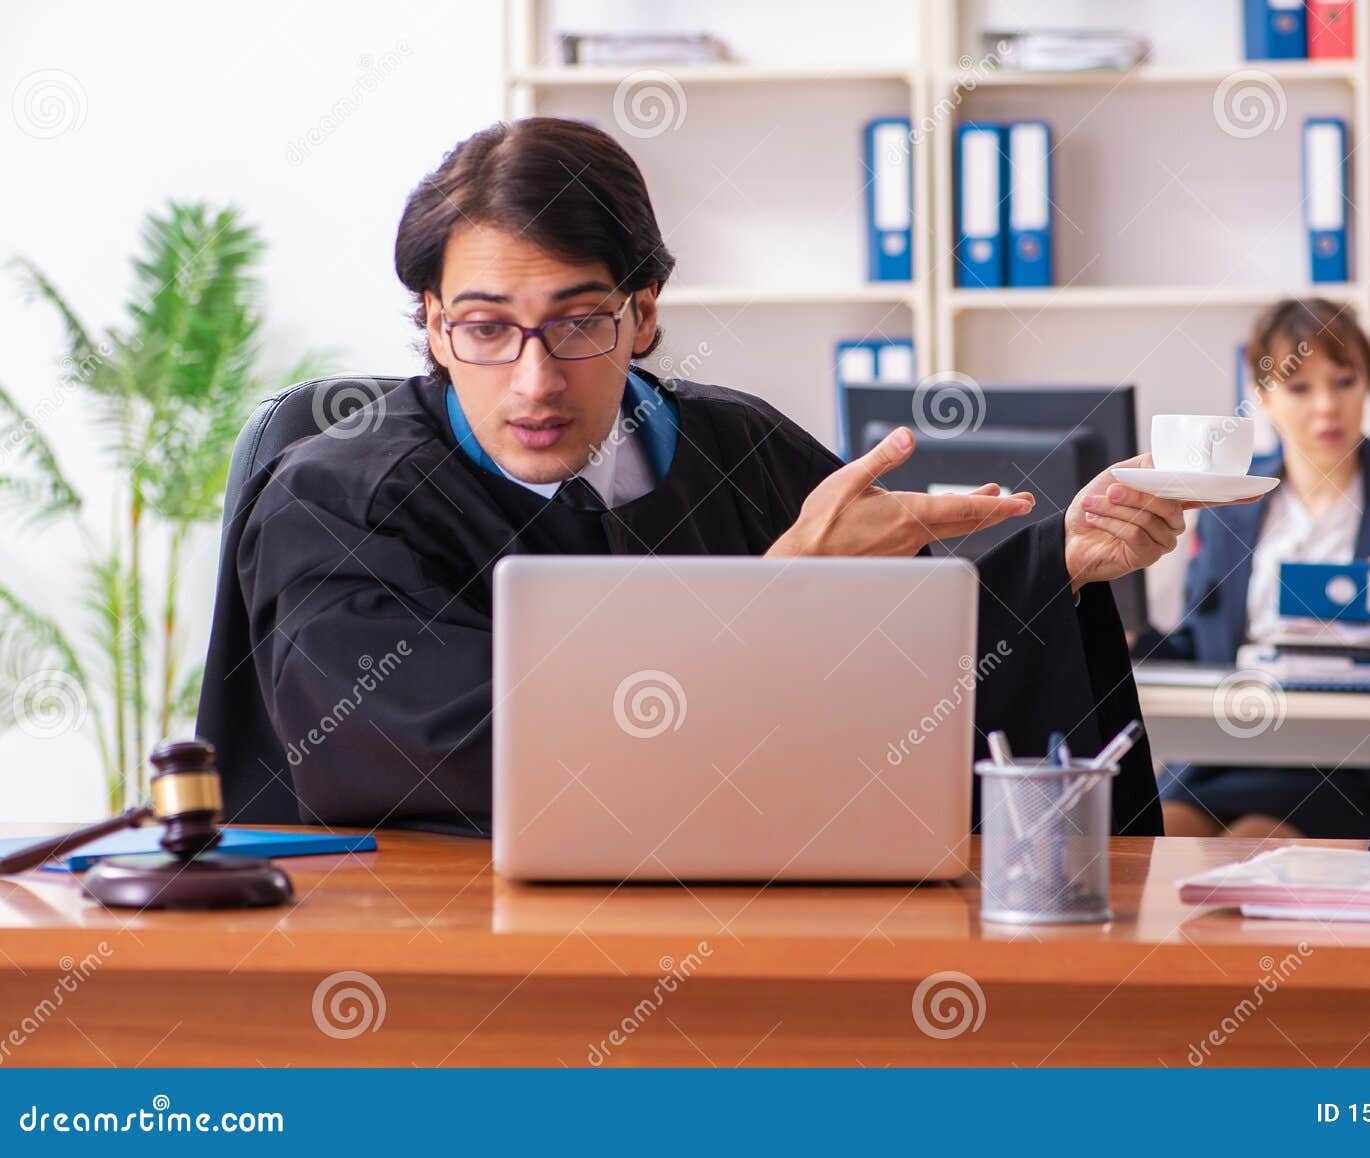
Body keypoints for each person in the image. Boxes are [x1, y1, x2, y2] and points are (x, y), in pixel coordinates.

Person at [198, 117, 1247, 836]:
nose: (534, 379)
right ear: (430, 325)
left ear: (643, 313)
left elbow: (917, 658)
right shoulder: (338, 500)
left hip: (741, 925)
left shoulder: (740, 452)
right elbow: (419, 753)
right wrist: (782, 593)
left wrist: (1053, 562)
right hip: (435, 950)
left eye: (578, 321)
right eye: (482, 328)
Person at [1139, 298, 1370, 840]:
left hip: (1359, 760)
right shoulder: (1229, 507)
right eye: (1300, 389)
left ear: (1367, 384)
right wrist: (1123, 628)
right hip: (1239, 745)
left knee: (1252, 839)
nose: (1327, 407)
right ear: (1262, 398)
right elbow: (1197, 645)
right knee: (1159, 834)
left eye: (1344, 381)